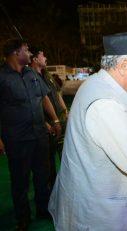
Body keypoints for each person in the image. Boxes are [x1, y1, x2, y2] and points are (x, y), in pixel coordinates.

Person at [48, 32, 127, 231]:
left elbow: (109, 133)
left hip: (95, 206)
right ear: (124, 65)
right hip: (99, 216)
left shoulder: (96, 84)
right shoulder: (105, 103)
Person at [0, 39, 62, 231]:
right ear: (16, 53)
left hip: (39, 134)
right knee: (20, 179)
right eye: (26, 50)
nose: (29, 53)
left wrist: (55, 120)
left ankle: (43, 209)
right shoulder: (2, 77)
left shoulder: (32, 75)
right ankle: (23, 218)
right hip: (17, 138)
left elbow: (44, 97)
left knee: (42, 176)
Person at [29, 47, 69, 188]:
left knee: (66, 156)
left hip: (60, 121)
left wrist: (65, 111)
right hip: (47, 126)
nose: (45, 58)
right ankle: (50, 189)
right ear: (35, 59)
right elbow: (35, 103)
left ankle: (66, 186)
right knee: (48, 161)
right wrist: (46, 123)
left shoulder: (47, 74)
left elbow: (57, 94)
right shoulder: (30, 77)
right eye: (42, 55)